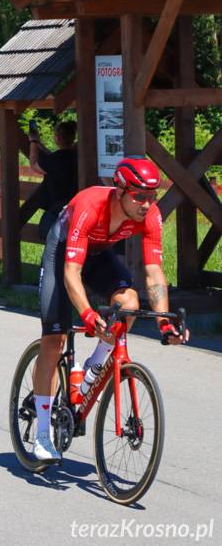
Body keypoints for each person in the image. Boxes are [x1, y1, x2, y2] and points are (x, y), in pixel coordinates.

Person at [32, 157, 189, 463]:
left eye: (152, 196)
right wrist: (88, 315)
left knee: (129, 303)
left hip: (99, 254)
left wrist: (164, 322)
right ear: (120, 191)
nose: (147, 204)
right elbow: (71, 273)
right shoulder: (91, 205)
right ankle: (41, 433)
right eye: (139, 196)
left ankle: (96, 363)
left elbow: (154, 272)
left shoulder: (150, 215)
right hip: (63, 253)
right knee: (54, 340)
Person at [28, 120, 78, 240]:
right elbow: (54, 156)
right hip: (77, 208)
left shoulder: (54, 160)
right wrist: (40, 144)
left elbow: (34, 164)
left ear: (58, 138)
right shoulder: (79, 156)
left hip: (57, 211)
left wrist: (33, 141)